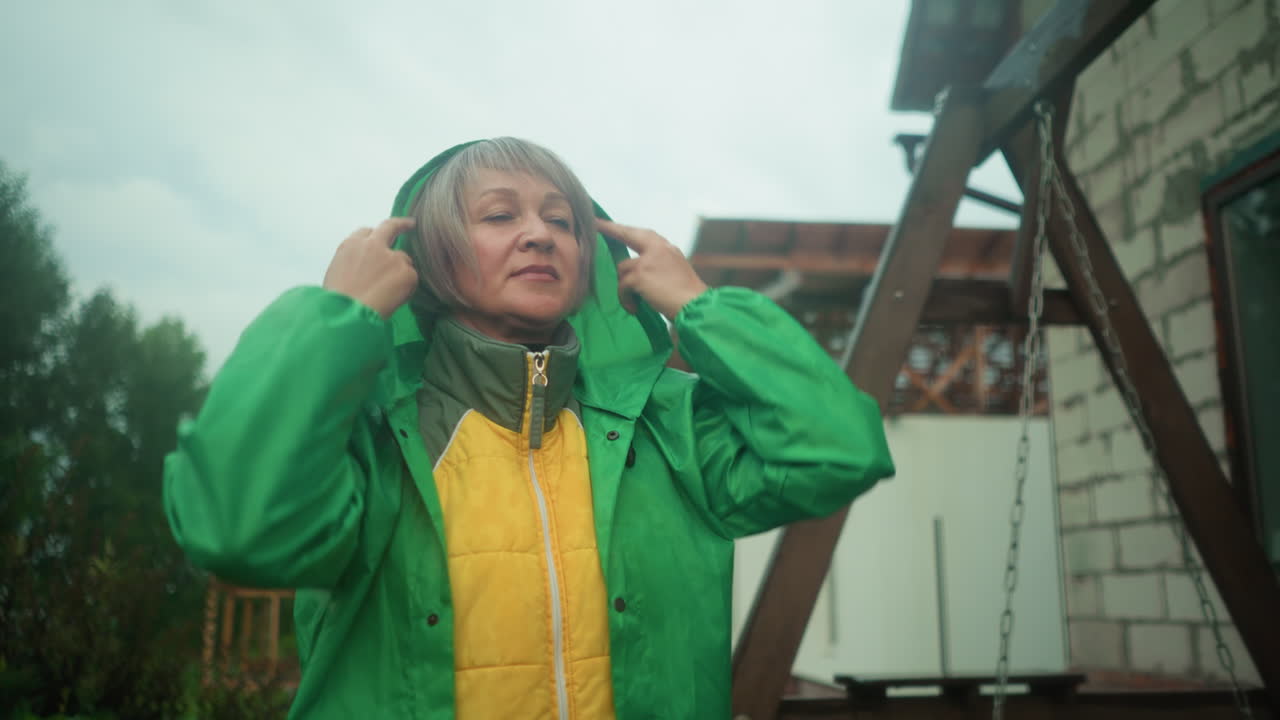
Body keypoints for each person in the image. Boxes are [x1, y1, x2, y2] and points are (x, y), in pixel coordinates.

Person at [163, 137, 895, 719]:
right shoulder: (373, 434)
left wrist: (701, 306)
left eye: (562, 220)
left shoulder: (664, 424)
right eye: (500, 215)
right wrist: (335, 319)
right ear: (432, 256)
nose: (540, 235)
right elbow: (236, 530)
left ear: (590, 265)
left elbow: (838, 449)